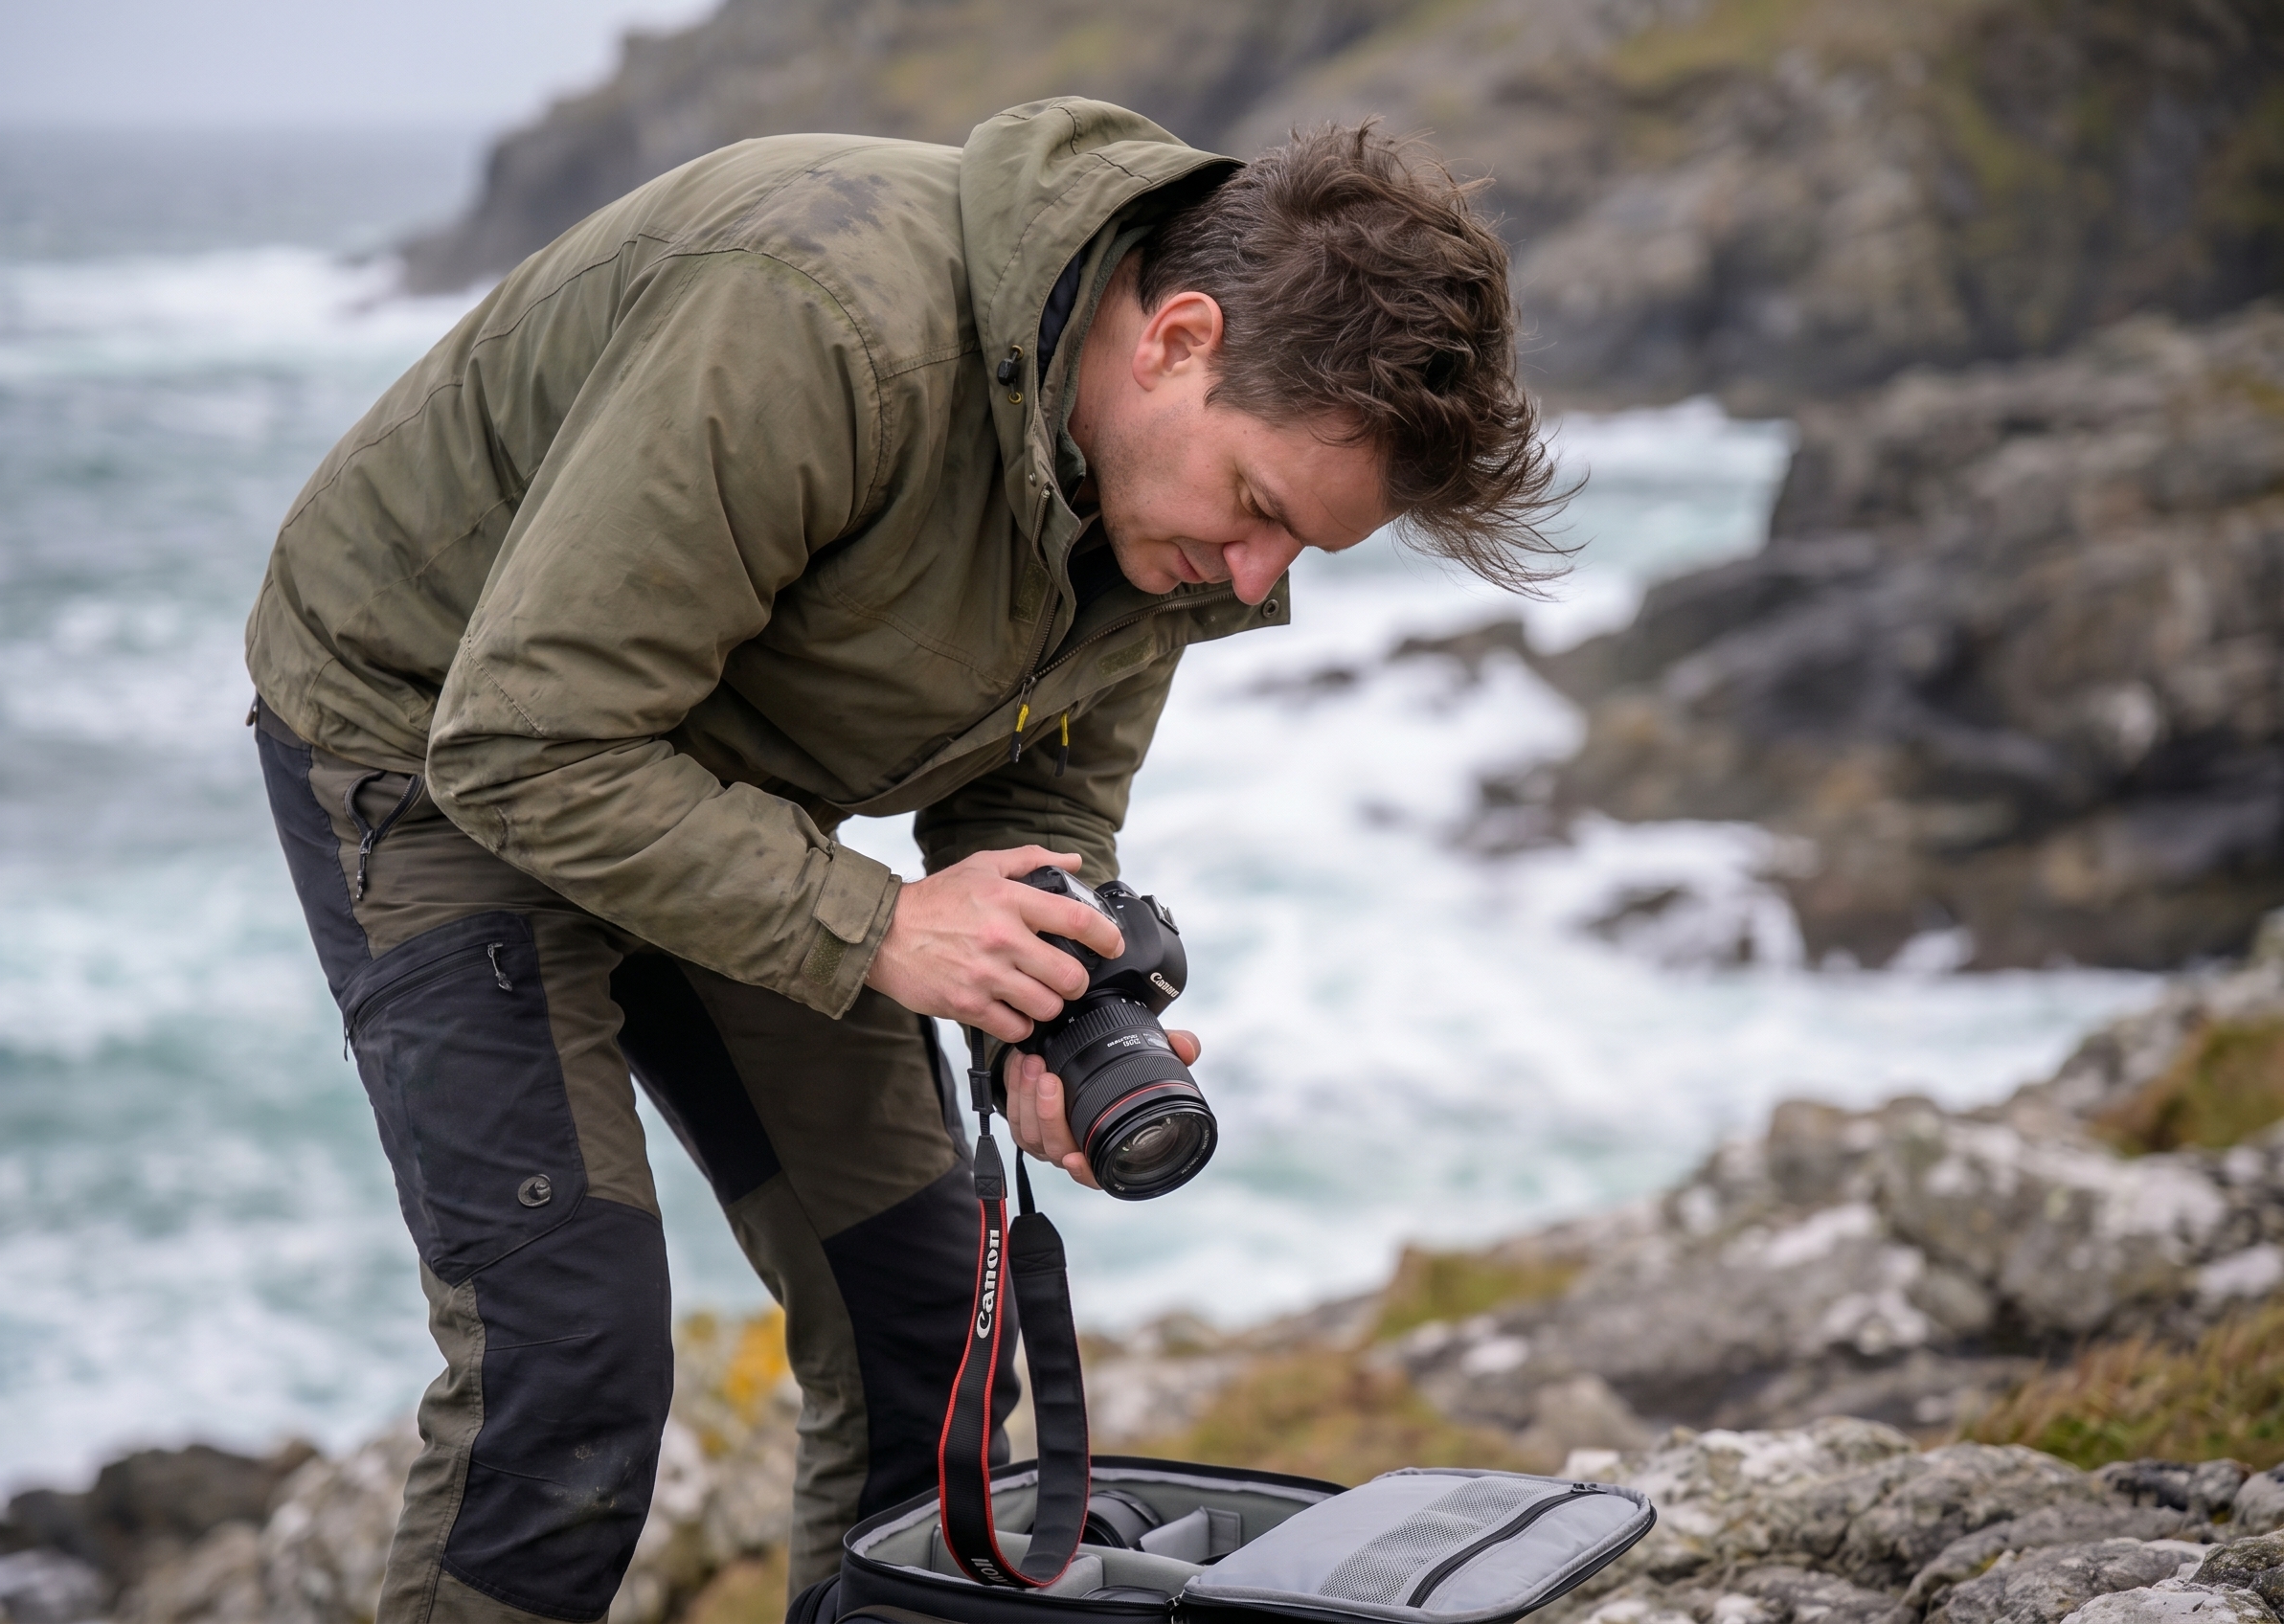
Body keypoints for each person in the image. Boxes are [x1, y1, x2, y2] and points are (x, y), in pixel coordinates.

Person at [244, 96, 1552, 1624]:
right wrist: (873, 925)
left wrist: (1053, 1004)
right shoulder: (814, 322)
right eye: (1257, 510)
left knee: (928, 1324)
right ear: (1178, 338)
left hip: (706, 766)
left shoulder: (1160, 502)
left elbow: (1041, 787)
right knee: (570, 1353)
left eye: (1300, 554)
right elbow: (527, 744)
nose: (1254, 580)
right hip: (431, 741)